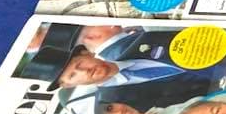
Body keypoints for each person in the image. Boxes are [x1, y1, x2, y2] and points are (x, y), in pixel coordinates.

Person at [21, 44, 186, 89]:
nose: (85, 71)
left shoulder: (136, 42)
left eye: (79, 64)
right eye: (72, 75)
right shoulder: (115, 102)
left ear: (87, 54)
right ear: (68, 85)